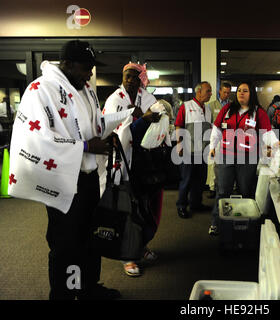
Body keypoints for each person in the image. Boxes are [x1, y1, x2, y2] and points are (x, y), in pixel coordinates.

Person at [8, 40, 122, 300]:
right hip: (64, 182)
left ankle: (88, 288)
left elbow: (94, 125)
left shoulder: (85, 89)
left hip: (90, 178)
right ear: (67, 64)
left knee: (91, 238)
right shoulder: (39, 90)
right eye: (85, 68)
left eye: (92, 68)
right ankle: (66, 294)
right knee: (67, 243)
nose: (90, 74)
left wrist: (108, 134)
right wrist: (83, 146)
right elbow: (35, 140)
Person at [103, 63, 164, 277]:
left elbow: (160, 120)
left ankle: (140, 245)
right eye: (126, 76)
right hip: (123, 163)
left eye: (133, 77)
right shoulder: (115, 99)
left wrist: (151, 119)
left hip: (145, 162)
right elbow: (116, 130)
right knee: (127, 210)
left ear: (140, 80)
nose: (129, 80)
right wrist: (141, 120)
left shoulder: (146, 97)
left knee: (146, 208)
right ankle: (128, 256)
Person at [208, 81, 280, 235]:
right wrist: (212, 147)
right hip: (226, 157)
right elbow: (216, 129)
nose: (241, 93)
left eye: (245, 91)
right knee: (223, 192)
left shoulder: (258, 112)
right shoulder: (227, 109)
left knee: (246, 191)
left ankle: (244, 224)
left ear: (251, 94)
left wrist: (276, 143)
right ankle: (217, 223)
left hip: (247, 159)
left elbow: (267, 133)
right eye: (239, 90)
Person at [174, 81, 213, 218]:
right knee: (186, 179)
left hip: (202, 151)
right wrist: (179, 144)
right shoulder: (186, 106)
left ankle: (196, 203)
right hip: (188, 150)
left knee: (200, 179)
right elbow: (178, 125)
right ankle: (181, 205)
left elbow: (211, 129)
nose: (210, 94)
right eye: (208, 91)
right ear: (199, 91)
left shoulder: (208, 109)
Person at [206, 82, 231, 199]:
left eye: (228, 92)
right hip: (215, 139)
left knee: (226, 164)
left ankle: (226, 187)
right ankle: (212, 187)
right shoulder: (212, 106)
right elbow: (207, 122)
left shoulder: (232, 106)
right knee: (213, 164)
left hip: (228, 139)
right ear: (219, 91)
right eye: (224, 92)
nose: (226, 94)